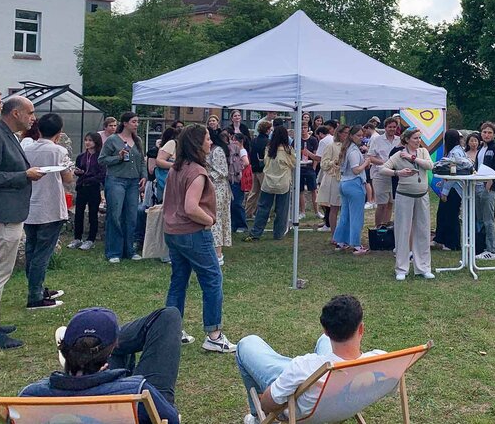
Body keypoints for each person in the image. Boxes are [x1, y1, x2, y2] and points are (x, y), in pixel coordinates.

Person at [236, 295, 385, 423]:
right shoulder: (381, 360)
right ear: (361, 329)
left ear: (326, 331)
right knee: (323, 342)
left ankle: (257, 419)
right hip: (344, 399)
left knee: (247, 343)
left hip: (303, 409)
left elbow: (268, 405)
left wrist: (264, 399)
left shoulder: (303, 367)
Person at [21, 306, 181, 424]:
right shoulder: (137, 391)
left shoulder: (30, 396)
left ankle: (83, 363)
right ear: (108, 356)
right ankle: (105, 345)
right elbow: (171, 420)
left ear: (65, 349)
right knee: (168, 317)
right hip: (122, 402)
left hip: (66, 395)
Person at [163, 124, 235, 353]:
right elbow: (191, 207)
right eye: (207, 139)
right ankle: (214, 335)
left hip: (173, 232)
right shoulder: (197, 172)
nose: (211, 142)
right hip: (192, 233)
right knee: (212, 279)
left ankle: (171, 331)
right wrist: (209, 220)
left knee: (178, 281)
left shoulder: (176, 168)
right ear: (197, 143)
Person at [0, 96, 42, 348]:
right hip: (1, 216)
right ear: (16, 113)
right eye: (30, 112)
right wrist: (24, 175)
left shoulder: (7, 134)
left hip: (7, 214)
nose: (33, 118)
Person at [23, 113, 74, 309]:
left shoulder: (26, 148)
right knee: (42, 254)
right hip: (50, 207)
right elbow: (68, 178)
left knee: (31, 250)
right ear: (59, 132)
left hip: (30, 206)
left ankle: (36, 288)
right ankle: (35, 296)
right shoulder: (58, 150)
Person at [383, 127, 435, 280]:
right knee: (403, 230)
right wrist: (397, 173)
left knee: (423, 230)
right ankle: (401, 268)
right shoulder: (398, 154)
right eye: (415, 138)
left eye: (419, 138)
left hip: (422, 195)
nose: (418, 141)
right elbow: (383, 169)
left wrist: (413, 158)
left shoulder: (423, 152)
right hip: (404, 196)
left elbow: (430, 165)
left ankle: (423, 267)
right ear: (407, 139)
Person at [99, 112, 146, 263]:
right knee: (115, 215)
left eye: (137, 122)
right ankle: (114, 251)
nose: (136, 124)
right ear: (125, 123)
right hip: (116, 180)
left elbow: (142, 160)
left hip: (133, 182)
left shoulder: (138, 140)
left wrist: (144, 176)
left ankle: (129, 250)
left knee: (131, 216)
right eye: (134, 121)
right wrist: (118, 157)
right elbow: (102, 159)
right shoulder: (112, 140)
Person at [248, 126, 295, 241]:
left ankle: (256, 233)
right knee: (281, 210)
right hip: (283, 183)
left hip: (268, 182)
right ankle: (278, 234)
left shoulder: (269, 149)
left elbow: (265, 161)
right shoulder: (288, 150)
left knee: (263, 208)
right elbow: (293, 163)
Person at [334, 126, 371, 254]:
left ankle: (340, 241)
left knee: (345, 214)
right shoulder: (353, 151)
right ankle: (356, 245)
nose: (361, 138)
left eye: (362, 135)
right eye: (358, 135)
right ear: (351, 136)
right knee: (356, 216)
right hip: (354, 184)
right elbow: (356, 170)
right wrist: (366, 162)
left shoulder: (347, 148)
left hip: (344, 183)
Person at [70, 132, 105, 251]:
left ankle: (91, 239)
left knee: (92, 214)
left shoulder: (100, 157)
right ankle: (77, 238)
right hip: (82, 187)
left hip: (93, 187)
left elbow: (102, 175)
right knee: (78, 213)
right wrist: (78, 172)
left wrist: (88, 177)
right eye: (86, 140)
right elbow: (78, 170)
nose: (87, 143)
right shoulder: (81, 156)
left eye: (90, 140)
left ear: (96, 142)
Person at [474, 122, 495, 261]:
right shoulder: (481, 148)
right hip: (478, 185)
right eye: (484, 132)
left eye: (490, 132)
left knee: (488, 219)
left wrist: (490, 183)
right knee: (479, 218)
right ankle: (481, 245)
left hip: (489, 187)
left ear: (494, 135)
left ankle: (492, 250)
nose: (486, 135)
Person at [433, 130, 464, 252]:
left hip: (453, 188)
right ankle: (442, 239)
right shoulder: (458, 150)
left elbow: (452, 174)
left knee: (451, 215)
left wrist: (445, 192)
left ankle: (452, 243)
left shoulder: (454, 153)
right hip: (455, 187)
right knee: (444, 214)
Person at [368, 117, 401, 226]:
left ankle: (386, 226)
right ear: (385, 127)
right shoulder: (377, 140)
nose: (392, 129)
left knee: (391, 202)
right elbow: (371, 157)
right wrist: (386, 162)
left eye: (394, 127)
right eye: (390, 127)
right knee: (382, 204)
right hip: (380, 175)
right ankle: (378, 227)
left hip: (395, 176)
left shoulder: (399, 140)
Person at [316, 125, 348, 237]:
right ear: (339, 133)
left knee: (345, 208)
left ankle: (344, 233)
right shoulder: (331, 146)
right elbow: (323, 164)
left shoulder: (350, 146)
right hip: (334, 179)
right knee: (334, 207)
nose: (347, 135)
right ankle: (334, 234)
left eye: (348, 133)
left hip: (347, 179)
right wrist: (334, 162)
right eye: (345, 133)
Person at [207, 130, 232, 265]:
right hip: (209, 187)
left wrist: (206, 176)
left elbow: (223, 172)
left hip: (218, 189)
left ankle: (218, 253)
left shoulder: (217, 151)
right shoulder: (204, 151)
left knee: (216, 218)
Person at [245, 120, 271, 219]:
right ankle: (263, 214)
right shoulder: (268, 142)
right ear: (267, 130)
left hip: (254, 168)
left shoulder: (253, 140)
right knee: (265, 193)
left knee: (253, 192)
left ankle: (247, 212)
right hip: (263, 169)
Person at [229, 133, 251, 233]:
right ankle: (234, 224)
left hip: (239, 179)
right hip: (235, 179)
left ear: (241, 142)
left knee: (237, 203)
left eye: (235, 140)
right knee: (233, 203)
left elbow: (246, 162)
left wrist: (238, 169)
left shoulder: (241, 151)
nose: (233, 142)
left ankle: (242, 224)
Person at [298, 122, 320, 219]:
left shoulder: (313, 140)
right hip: (300, 168)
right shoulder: (297, 140)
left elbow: (316, 155)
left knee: (313, 190)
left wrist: (314, 168)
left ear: (308, 128)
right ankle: (302, 211)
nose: (303, 129)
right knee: (300, 190)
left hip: (310, 167)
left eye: (305, 127)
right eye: (301, 127)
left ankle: (317, 211)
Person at [361, 123, 377, 210]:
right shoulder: (375, 137)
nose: (365, 133)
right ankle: (373, 200)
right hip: (370, 162)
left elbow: (373, 151)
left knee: (367, 182)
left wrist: (365, 148)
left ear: (369, 128)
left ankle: (370, 200)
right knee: (371, 182)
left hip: (369, 162)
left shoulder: (374, 138)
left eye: (365, 131)